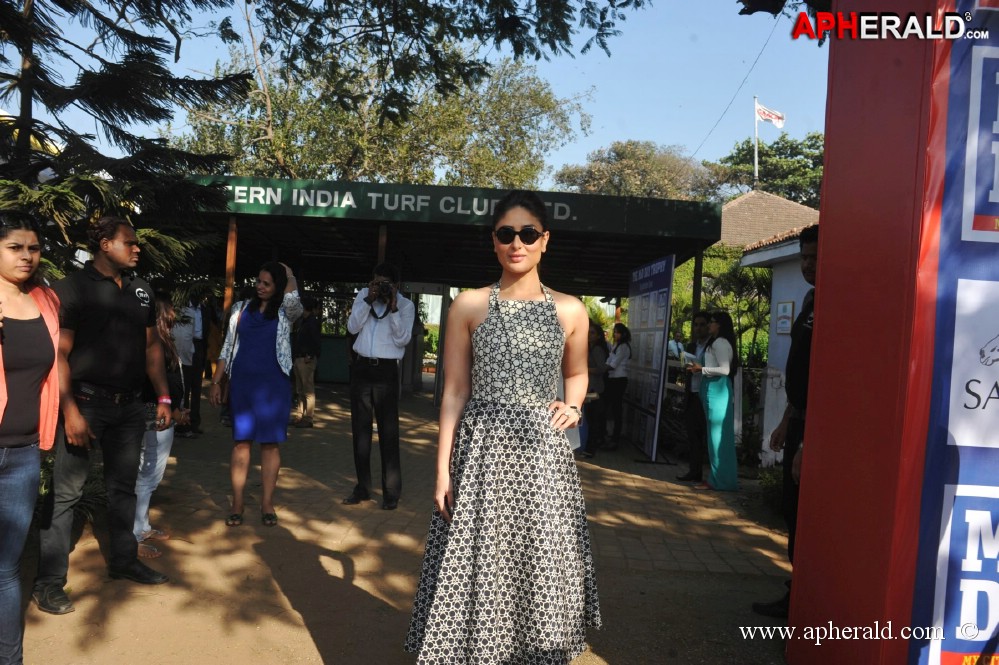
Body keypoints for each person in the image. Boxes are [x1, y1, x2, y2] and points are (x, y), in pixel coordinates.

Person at [405, 190, 599, 663]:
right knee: (478, 564)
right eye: (506, 234)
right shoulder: (468, 306)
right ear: (493, 242)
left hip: (543, 455)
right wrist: (442, 470)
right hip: (482, 452)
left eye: (528, 233)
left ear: (544, 240)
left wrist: (573, 406)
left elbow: (577, 373)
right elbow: (453, 392)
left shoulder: (571, 310)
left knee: (540, 561)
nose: (518, 243)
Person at [34, 216, 172, 616]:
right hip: (85, 403)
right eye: (128, 242)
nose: (137, 248)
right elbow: (59, 355)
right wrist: (71, 411)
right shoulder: (74, 289)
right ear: (104, 244)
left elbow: (151, 350)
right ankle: (48, 583)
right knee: (66, 495)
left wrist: (162, 396)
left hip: (129, 407)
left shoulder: (142, 291)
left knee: (123, 489)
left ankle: (124, 562)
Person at [0, 213, 59, 663]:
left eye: (33, 247)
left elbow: (54, 371)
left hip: (22, 452)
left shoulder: (45, 300)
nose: (26, 256)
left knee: (6, 570)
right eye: (15, 247)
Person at [752, 224, 818, 619]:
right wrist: (785, 420)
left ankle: (807, 605)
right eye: (804, 258)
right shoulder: (811, 299)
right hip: (799, 420)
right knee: (791, 513)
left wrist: (811, 441)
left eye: (815, 258)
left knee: (808, 517)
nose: (809, 265)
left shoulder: (845, 303)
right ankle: (795, 595)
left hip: (819, 430)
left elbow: (832, 378)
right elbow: (802, 373)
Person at [209, 262, 302, 528]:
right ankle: (237, 503)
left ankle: (267, 504)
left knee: (270, 445)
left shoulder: (286, 312)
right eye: (258, 282)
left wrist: (290, 275)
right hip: (242, 385)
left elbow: (294, 300)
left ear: (278, 288)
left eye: (267, 283)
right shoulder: (240, 310)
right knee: (241, 442)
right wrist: (216, 381)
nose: (260, 287)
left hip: (275, 386)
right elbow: (227, 347)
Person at [343, 263, 415, 511]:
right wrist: (368, 299)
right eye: (377, 283)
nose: (380, 288)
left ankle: (391, 493)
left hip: (386, 372)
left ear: (396, 286)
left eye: (386, 284)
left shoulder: (405, 305)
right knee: (360, 434)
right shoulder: (363, 297)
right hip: (362, 368)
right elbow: (352, 327)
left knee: (389, 433)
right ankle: (362, 488)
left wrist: (393, 307)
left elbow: (403, 339)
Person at [133, 293, 190, 559]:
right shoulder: (153, 343)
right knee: (147, 475)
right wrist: (173, 410)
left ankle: (143, 526)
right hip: (155, 416)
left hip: (164, 415)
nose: (174, 317)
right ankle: (135, 533)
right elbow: (154, 383)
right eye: (169, 313)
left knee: (149, 476)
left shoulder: (163, 341)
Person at [686, 311, 738, 492]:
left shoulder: (721, 342)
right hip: (712, 390)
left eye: (713, 322)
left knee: (717, 440)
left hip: (717, 391)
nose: (709, 325)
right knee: (714, 439)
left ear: (721, 325)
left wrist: (702, 369)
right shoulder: (714, 343)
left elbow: (724, 369)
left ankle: (718, 481)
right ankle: (718, 479)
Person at [677, 311, 710, 482]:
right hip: (692, 394)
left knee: (707, 436)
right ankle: (694, 471)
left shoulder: (713, 345)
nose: (698, 328)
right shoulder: (691, 346)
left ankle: (710, 474)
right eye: (695, 325)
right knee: (693, 435)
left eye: (702, 324)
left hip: (708, 395)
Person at [291, 295, 321, 428]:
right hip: (299, 358)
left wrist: (310, 355)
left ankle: (308, 418)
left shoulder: (312, 322)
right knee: (300, 389)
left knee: (307, 390)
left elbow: (316, 342)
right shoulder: (304, 321)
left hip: (306, 359)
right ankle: (299, 415)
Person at [581, 319, 609, 457]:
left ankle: (590, 449)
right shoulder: (590, 347)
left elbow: (601, 368)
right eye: (588, 332)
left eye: (592, 333)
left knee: (594, 421)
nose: (589, 335)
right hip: (590, 387)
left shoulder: (597, 349)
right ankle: (590, 447)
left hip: (595, 389)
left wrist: (586, 369)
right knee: (591, 420)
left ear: (598, 335)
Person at [603, 322, 632, 448]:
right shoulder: (616, 345)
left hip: (619, 380)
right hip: (612, 379)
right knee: (609, 408)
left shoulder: (624, 347)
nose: (615, 334)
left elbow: (613, 364)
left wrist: (600, 369)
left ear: (624, 334)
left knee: (616, 410)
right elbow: (608, 361)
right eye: (614, 332)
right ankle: (608, 436)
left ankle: (615, 439)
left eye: (617, 332)